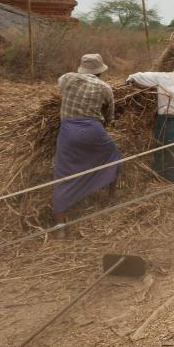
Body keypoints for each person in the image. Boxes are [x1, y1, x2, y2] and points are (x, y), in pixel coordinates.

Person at [53, 53, 121, 236]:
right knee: (114, 156)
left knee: (63, 175)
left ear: (82, 68)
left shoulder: (67, 78)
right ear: (100, 71)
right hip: (93, 130)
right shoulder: (105, 88)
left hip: (68, 131)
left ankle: (59, 226)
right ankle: (111, 197)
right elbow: (110, 116)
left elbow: (60, 85)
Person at [127, 49, 174, 182]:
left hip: (164, 121)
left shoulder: (162, 77)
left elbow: (139, 76)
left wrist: (130, 78)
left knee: (162, 148)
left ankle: (161, 177)